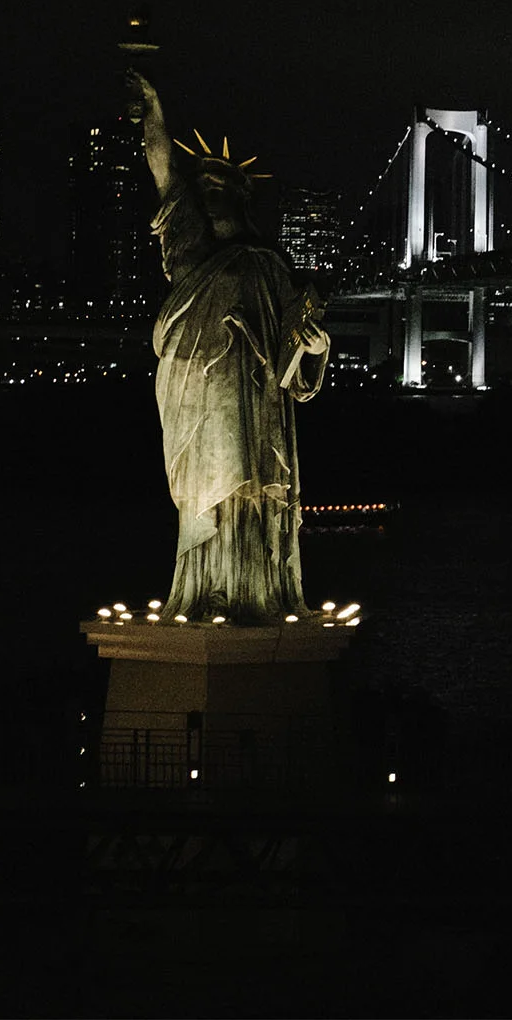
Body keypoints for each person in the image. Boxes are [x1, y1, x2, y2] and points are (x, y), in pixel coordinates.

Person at [130, 69, 329, 622]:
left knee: (249, 486)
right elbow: (163, 167)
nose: (208, 194)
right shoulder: (190, 247)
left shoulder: (268, 264)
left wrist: (315, 347)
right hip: (197, 390)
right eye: (204, 188)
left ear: (243, 197)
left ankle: (251, 591)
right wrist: (153, 109)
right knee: (206, 489)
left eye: (220, 188)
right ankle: (206, 588)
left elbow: (296, 350)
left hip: (255, 397)